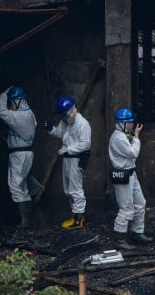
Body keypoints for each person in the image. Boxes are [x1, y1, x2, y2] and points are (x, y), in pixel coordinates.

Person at [109, 107, 153, 248]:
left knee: (140, 203)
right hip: (123, 175)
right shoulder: (118, 138)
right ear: (122, 123)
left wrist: (132, 136)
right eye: (129, 123)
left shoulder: (123, 135)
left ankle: (137, 231)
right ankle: (119, 237)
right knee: (126, 207)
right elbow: (134, 153)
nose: (132, 125)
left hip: (131, 173)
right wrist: (137, 137)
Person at [47, 95, 91, 230]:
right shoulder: (67, 121)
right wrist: (51, 129)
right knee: (68, 189)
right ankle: (76, 214)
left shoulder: (82, 123)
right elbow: (61, 134)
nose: (65, 117)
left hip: (76, 159)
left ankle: (79, 220)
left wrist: (68, 150)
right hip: (68, 158)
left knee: (75, 189)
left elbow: (85, 144)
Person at [0, 86, 37, 228]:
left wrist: (4, 93)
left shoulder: (21, 116)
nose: (11, 105)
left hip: (20, 155)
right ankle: (28, 220)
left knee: (15, 187)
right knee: (22, 187)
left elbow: (1, 112)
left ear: (17, 101)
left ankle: (25, 222)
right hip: (23, 153)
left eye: (12, 102)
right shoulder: (28, 114)